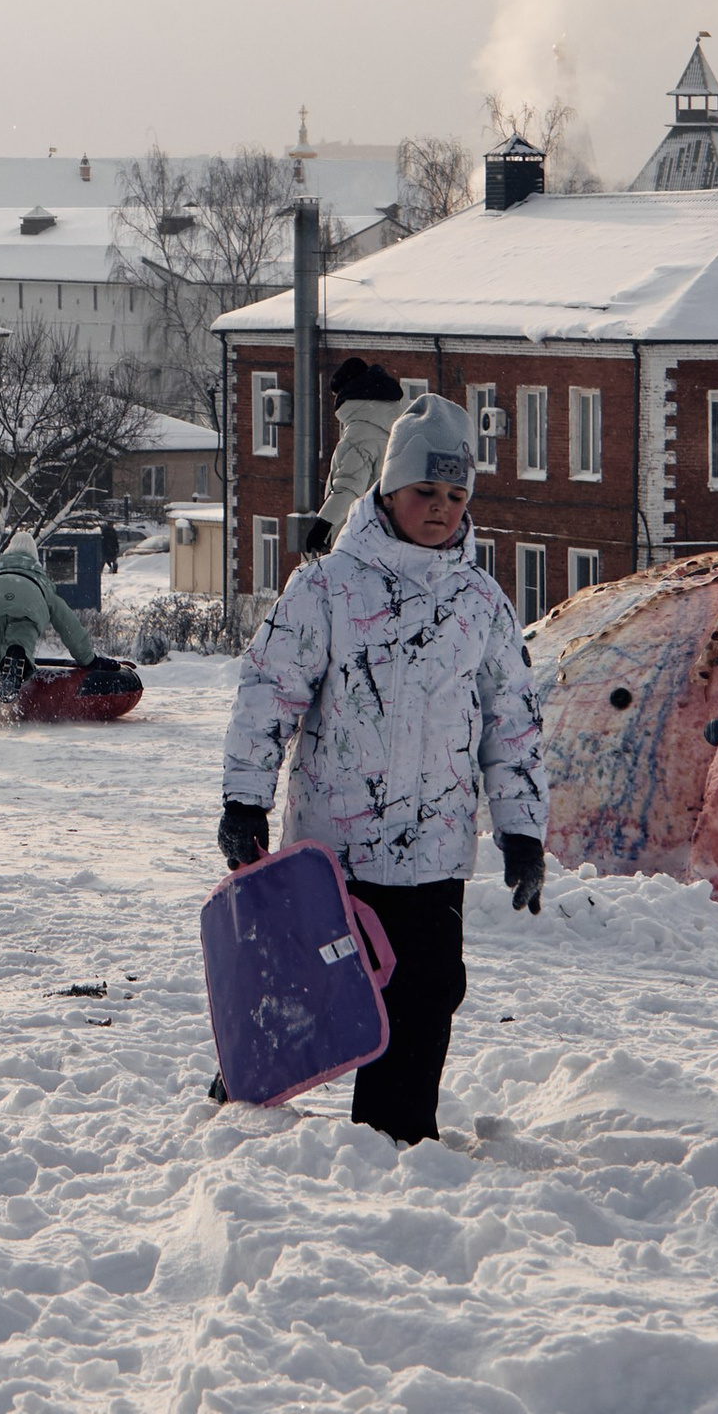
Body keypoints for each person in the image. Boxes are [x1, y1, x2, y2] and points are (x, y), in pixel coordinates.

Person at [219, 392, 546, 1146]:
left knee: (429, 990)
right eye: (425, 491)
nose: (440, 508)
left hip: (435, 852)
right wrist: (245, 799)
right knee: (311, 982)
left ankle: (397, 1137)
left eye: (456, 494)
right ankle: (247, 1092)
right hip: (337, 849)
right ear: (388, 489)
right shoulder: (329, 587)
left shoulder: (482, 605)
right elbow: (269, 691)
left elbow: (512, 724)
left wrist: (522, 830)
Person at [0, 528, 96, 725]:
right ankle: (18, 654)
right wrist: (86, 658)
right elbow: (68, 623)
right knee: (22, 635)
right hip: (29, 599)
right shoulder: (40, 580)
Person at [310, 357, 404, 552]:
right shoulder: (395, 423)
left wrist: (324, 523)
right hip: (387, 534)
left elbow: (349, 485)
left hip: (357, 537)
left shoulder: (361, 431)